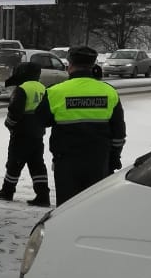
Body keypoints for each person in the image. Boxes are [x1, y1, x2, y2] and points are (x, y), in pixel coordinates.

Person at [38, 45, 126, 204]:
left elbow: (40, 121)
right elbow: (119, 133)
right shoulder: (108, 91)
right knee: (93, 208)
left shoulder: (55, 92)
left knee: (67, 209)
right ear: (93, 66)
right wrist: (113, 158)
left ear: (69, 65)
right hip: (99, 161)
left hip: (66, 162)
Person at [0, 61, 51, 206]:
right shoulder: (43, 88)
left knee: (14, 162)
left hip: (22, 132)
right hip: (38, 133)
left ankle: (7, 191)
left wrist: (9, 124)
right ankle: (43, 196)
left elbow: (15, 111)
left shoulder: (22, 88)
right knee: (37, 165)